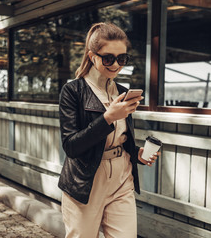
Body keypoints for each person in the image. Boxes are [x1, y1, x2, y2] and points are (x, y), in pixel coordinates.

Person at [58, 22, 159, 238]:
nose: (115, 65)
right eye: (108, 58)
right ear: (92, 56)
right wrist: (108, 118)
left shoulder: (123, 92)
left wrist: (137, 153)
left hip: (122, 176)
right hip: (85, 180)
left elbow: (121, 137)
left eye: (122, 58)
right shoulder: (72, 91)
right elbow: (71, 146)